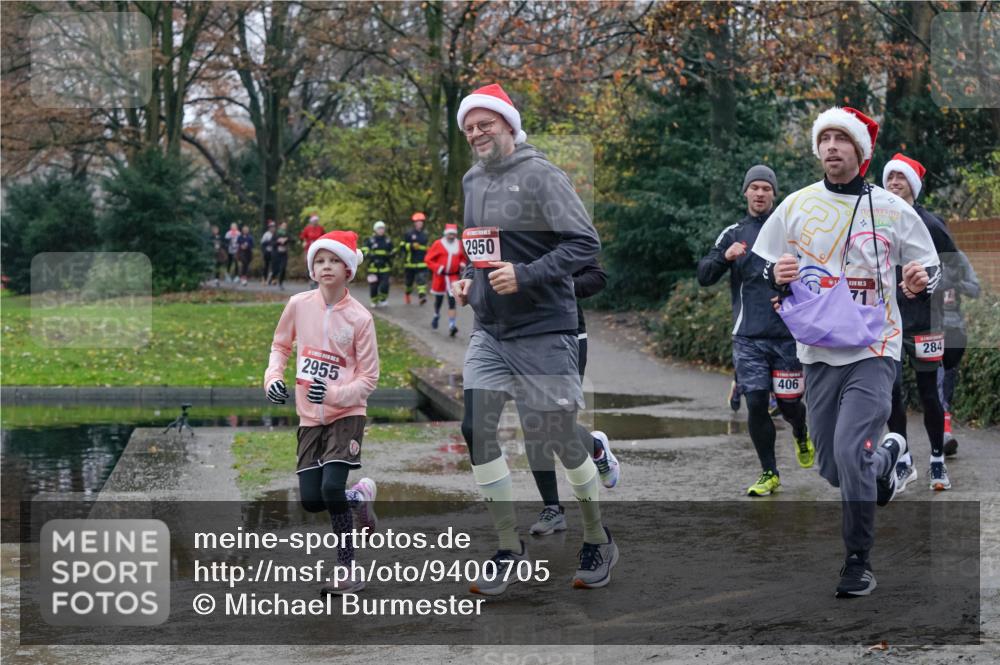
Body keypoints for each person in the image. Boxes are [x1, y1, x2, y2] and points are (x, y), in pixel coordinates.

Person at [753, 107, 939, 598]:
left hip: (875, 347)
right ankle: (887, 462)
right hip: (817, 348)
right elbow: (765, 265)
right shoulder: (795, 205)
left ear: (861, 151)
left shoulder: (892, 209)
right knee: (833, 465)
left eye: (842, 139)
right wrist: (776, 275)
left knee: (850, 449)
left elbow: (927, 260)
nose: (831, 146)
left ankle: (857, 560)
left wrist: (920, 279)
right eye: (825, 138)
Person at [452, 83, 617, 593]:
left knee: (555, 439)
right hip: (492, 332)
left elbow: (584, 244)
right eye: (469, 127)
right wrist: (469, 280)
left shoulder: (541, 174)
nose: (477, 133)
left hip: (545, 330)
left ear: (508, 125)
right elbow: (481, 250)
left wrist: (525, 274)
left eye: (486, 124)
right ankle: (507, 547)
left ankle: (597, 538)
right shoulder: (472, 180)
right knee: (476, 430)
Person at [263, 229, 379, 595]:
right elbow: (280, 346)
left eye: (334, 261)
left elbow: (369, 378)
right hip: (309, 416)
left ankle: (348, 568)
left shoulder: (360, 318)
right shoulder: (298, 304)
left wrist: (335, 393)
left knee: (331, 487)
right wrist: (272, 378)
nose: (326, 266)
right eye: (319, 260)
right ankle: (358, 498)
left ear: (348, 269)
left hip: (347, 414)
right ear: (312, 269)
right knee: (312, 500)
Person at [698, 165, 813, 497]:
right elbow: (704, 275)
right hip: (748, 336)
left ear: (774, 194)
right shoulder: (733, 234)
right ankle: (769, 472)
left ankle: (801, 430)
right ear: (745, 192)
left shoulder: (792, 233)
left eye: (766, 188)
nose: (760, 193)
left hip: (788, 335)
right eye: (755, 188)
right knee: (757, 402)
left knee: (791, 404)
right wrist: (725, 258)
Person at [526, 258, 620, 538]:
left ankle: (596, 449)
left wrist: (558, 287)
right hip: (521, 339)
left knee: (557, 424)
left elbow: (597, 277)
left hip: (567, 336)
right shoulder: (507, 235)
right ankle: (552, 509)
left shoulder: (561, 233)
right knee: (533, 424)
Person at [881, 154, 958, 491]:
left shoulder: (931, 224)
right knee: (891, 394)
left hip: (926, 324)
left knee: (929, 395)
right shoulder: (877, 222)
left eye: (901, 178)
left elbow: (953, 270)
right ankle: (904, 461)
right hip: (887, 324)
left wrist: (926, 286)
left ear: (913, 185)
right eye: (890, 177)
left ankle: (938, 462)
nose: (895, 182)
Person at [936, 249, 980, 454]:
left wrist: (956, 284)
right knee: (938, 378)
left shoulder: (958, 258)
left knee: (947, 382)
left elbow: (975, 289)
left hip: (954, 329)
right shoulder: (920, 252)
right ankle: (943, 433)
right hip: (930, 328)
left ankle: (943, 431)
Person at [425, 223, 468, 336]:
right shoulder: (438, 244)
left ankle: (452, 326)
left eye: (453, 234)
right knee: (438, 301)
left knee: (452, 301)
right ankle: (436, 315)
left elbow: (463, 257)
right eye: (450, 234)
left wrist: (462, 264)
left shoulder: (458, 244)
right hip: (440, 277)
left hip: (453, 277)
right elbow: (428, 259)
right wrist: (438, 268)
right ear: (446, 234)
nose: (452, 236)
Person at [363, 220, 394, 308]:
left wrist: (392, 254)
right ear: (375, 230)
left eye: (382, 228)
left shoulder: (387, 240)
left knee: (385, 285)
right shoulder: (370, 240)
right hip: (372, 268)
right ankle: (374, 300)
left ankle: (383, 299)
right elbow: (364, 250)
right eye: (379, 229)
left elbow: (392, 250)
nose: (381, 230)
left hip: (385, 268)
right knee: (373, 286)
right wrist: (368, 254)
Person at [401, 212, 430, 305]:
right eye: (417, 222)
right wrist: (411, 246)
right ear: (414, 223)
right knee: (409, 283)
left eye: (421, 221)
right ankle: (407, 294)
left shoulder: (425, 234)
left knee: (421, 280)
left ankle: (422, 297)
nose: (419, 223)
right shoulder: (408, 234)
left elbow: (427, 247)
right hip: (410, 263)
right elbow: (402, 246)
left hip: (422, 262)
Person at [300, 214, 326, 288]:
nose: (316, 222)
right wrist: (304, 241)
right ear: (311, 221)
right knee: (309, 263)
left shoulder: (320, 228)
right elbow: (302, 236)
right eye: (314, 221)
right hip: (309, 248)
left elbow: (325, 236)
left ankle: (316, 280)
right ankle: (311, 279)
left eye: (316, 221)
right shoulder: (307, 228)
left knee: (317, 262)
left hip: (318, 248)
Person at [271, 221, 290, 289]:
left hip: (284, 254)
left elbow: (293, 239)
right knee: (276, 268)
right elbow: (272, 243)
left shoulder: (286, 234)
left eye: (285, 226)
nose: (284, 227)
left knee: (283, 268)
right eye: (283, 226)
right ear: (280, 226)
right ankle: (273, 277)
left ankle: (280, 283)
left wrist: (287, 239)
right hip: (276, 254)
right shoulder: (276, 234)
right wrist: (278, 241)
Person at [260, 220, 276, 285]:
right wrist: (269, 242)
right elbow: (262, 243)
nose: (273, 228)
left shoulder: (275, 234)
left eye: (274, 227)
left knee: (274, 266)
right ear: (269, 228)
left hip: (274, 252)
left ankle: (272, 279)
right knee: (266, 266)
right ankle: (264, 278)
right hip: (267, 252)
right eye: (271, 227)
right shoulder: (266, 234)